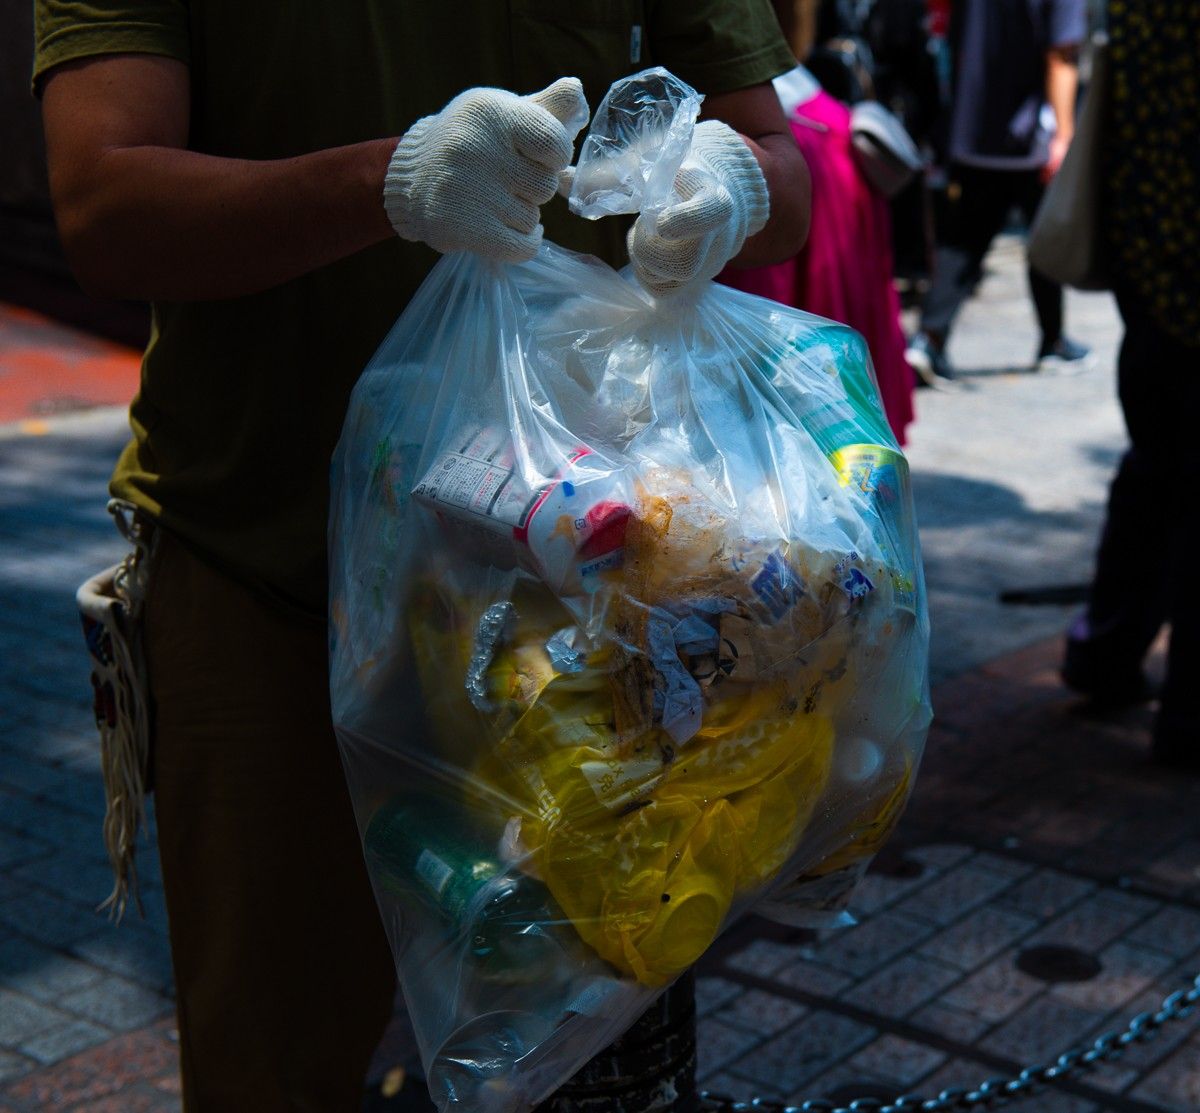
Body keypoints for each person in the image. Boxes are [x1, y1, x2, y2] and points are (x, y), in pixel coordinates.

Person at [33, 3, 811, 1110]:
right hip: (269, 587)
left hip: (589, 593)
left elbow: (783, 165)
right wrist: (391, 181)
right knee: (273, 1062)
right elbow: (106, 203)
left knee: (571, 1061)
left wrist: (735, 184)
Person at [1061, 1, 1200, 771]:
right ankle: (1185, 717)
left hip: (1147, 278)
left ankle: (1104, 658)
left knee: (1153, 472)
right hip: (1166, 276)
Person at [904, 0, 1093, 389]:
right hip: (1029, 137)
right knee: (1045, 237)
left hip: (972, 127)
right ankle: (1052, 342)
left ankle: (930, 337)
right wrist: (1064, 133)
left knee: (964, 241)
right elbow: (1062, 54)